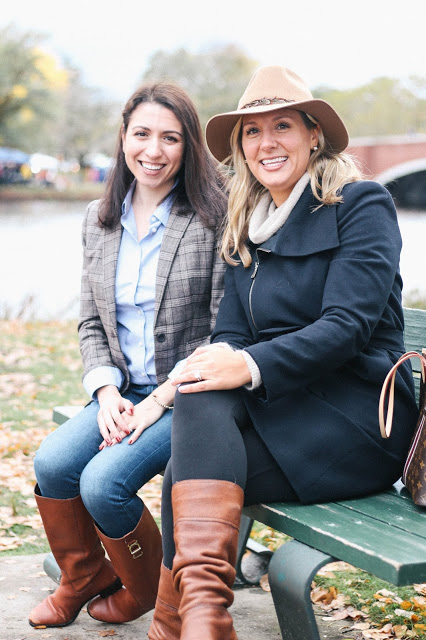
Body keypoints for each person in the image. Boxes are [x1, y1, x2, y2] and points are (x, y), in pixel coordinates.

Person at [147, 65, 419, 640]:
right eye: (251, 132)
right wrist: (198, 374)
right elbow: (230, 334)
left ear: (313, 134)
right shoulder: (246, 224)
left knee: (187, 457)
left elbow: (347, 326)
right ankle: (202, 621)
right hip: (286, 410)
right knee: (195, 424)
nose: (265, 143)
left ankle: (183, 625)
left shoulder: (360, 206)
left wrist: (244, 365)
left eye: (282, 127)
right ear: (240, 147)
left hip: (360, 419)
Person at [28, 82, 227, 629]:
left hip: (188, 396)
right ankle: (84, 576)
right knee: (52, 463)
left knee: (102, 483)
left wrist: (157, 402)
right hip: (122, 391)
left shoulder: (210, 217)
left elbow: (224, 330)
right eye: (142, 134)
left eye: (171, 138)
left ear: (188, 147)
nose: (153, 150)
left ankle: (147, 590)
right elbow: (92, 320)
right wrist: (107, 391)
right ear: (123, 137)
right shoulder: (99, 218)